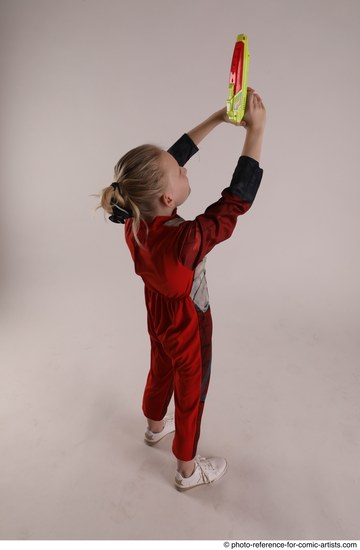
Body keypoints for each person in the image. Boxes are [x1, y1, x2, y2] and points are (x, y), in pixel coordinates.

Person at [96, 87, 266, 491]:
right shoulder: (186, 239)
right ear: (168, 196)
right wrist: (255, 132)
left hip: (157, 311)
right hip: (188, 320)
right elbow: (234, 203)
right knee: (192, 389)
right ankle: (187, 469)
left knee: (160, 364)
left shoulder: (133, 216)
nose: (186, 169)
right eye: (183, 172)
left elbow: (165, 164)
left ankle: (155, 426)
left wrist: (217, 118)